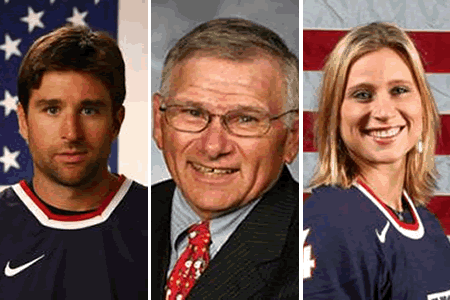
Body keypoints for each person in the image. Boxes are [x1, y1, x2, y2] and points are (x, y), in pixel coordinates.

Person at [152, 18, 299, 299]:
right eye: (193, 113)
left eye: (245, 119)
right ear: (159, 123)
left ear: (291, 139)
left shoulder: (313, 247)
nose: (213, 147)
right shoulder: (126, 221)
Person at [303, 22, 450, 299]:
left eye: (399, 90)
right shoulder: (332, 224)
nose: (383, 112)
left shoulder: (427, 225)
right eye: (362, 95)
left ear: (424, 105)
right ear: (335, 115)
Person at [0, 25, 147, 299]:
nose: (72, 133)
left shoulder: (160, 223)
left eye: (89, 110)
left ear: (117, 121)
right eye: (52, 110)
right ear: (23, 120)